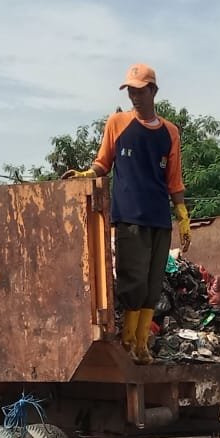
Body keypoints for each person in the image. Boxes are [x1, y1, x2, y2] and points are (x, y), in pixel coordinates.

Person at [63, 63, 189, 365]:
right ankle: (129, 340)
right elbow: (103, 163)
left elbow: (174, 179)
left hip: (159, 215)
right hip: (130, 215)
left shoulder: (170, 132)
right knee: (133, 280)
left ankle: (142, 342)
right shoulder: (117, 123)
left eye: (139, 89)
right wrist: (86, 175)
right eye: (130, 90)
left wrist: (182, 213)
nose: (134, 95)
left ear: (153, 91)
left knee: (153, 281)